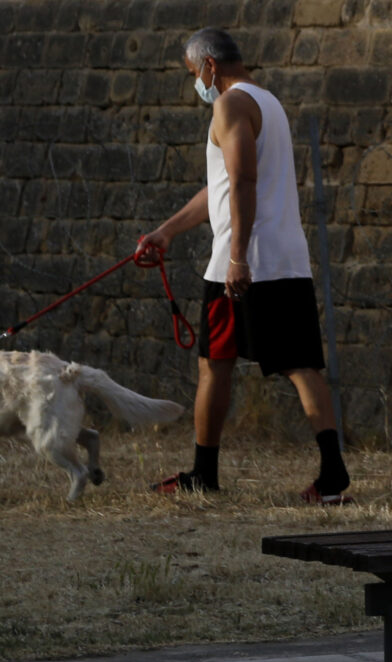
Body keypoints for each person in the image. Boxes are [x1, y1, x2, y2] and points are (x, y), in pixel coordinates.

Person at [138, 28, 352, 505]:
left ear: (210, 66)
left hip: (244, 265)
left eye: (195, 74)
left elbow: (243, 181)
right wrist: (168, 231)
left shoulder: (230, 105)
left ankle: (204, 473)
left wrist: (237, 256)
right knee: (300, 366)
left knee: (214, 367)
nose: (198, 84)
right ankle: (332, 478)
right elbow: (222, 186)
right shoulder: (268, 102)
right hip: (285, 258)